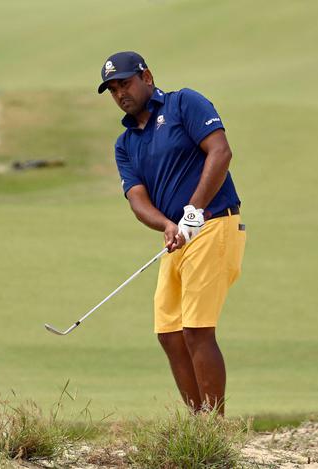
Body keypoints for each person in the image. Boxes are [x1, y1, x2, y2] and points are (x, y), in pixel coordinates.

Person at [97, 51, 246, 415]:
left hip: (214, 223)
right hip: (177, 236)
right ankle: (200, 425)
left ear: (146, 77)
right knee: (169, 332)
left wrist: (194, 208)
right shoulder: (125, 144)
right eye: (113, 89)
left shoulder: (184, 104)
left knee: (196, 329)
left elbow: (220, 152)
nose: (120, 94)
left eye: (125, 83)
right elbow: (136, 199)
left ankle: (214, 428)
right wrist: (166, 224)